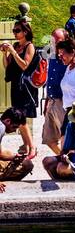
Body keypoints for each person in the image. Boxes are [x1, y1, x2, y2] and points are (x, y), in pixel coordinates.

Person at [0, 20, 39, 158]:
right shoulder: (16, 46)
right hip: (16, 85)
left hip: (25, 86)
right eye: (14, 31)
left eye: (17, 31)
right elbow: (7, 66)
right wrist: (5, 53)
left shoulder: (30, 46)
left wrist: (13, 52)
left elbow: (25, 66)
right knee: (19, 118)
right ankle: (27, 146)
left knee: (21, 118)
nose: (15, 33)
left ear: (25, 32)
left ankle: (32, 148)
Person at [41, 29, 69, 155]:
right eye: (52, 41)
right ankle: (64, 160)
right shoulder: (51, 55)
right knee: (49, 139)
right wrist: (47, 101)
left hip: (64, 102)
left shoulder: (70, 58)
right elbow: (50, 79)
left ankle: (70, 164)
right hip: (52, 100)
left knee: (67, 138)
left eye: (58, 41)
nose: (54, 44)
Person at [0, 109, 36, 183]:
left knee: (9, 153)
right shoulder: (1, 128)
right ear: (7, 121)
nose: (14, 130)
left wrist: (15, 156)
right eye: (14, 127)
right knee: (27, 165)